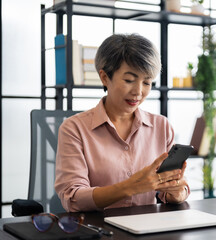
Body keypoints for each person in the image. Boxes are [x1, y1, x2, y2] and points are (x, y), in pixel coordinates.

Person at [55, 34, 190, 212]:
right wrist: (132, 186)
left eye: (147, 82)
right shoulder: (74, 129)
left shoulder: (161, 126)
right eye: (129, 80)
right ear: (104, 77)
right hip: (98, 229)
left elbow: (173, 188)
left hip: (150, 229)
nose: (138, 92)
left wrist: (176, 192)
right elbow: (73, 199)